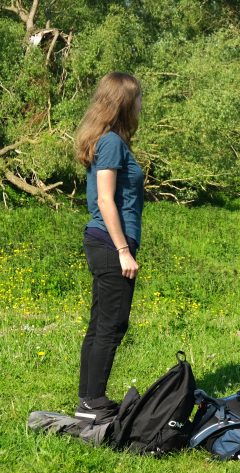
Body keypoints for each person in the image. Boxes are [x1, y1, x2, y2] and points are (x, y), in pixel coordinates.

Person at [73, 72, 144, 423]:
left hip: (102, 241)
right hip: (108, 242)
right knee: (112, 323)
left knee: (101, 321)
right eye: (138, 99)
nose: (141, 106)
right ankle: (92, 402)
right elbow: (105, 199)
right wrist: (123, 250)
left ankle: (89, 399)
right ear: (124, 102)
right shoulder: (112, 142)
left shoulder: (107, 141)